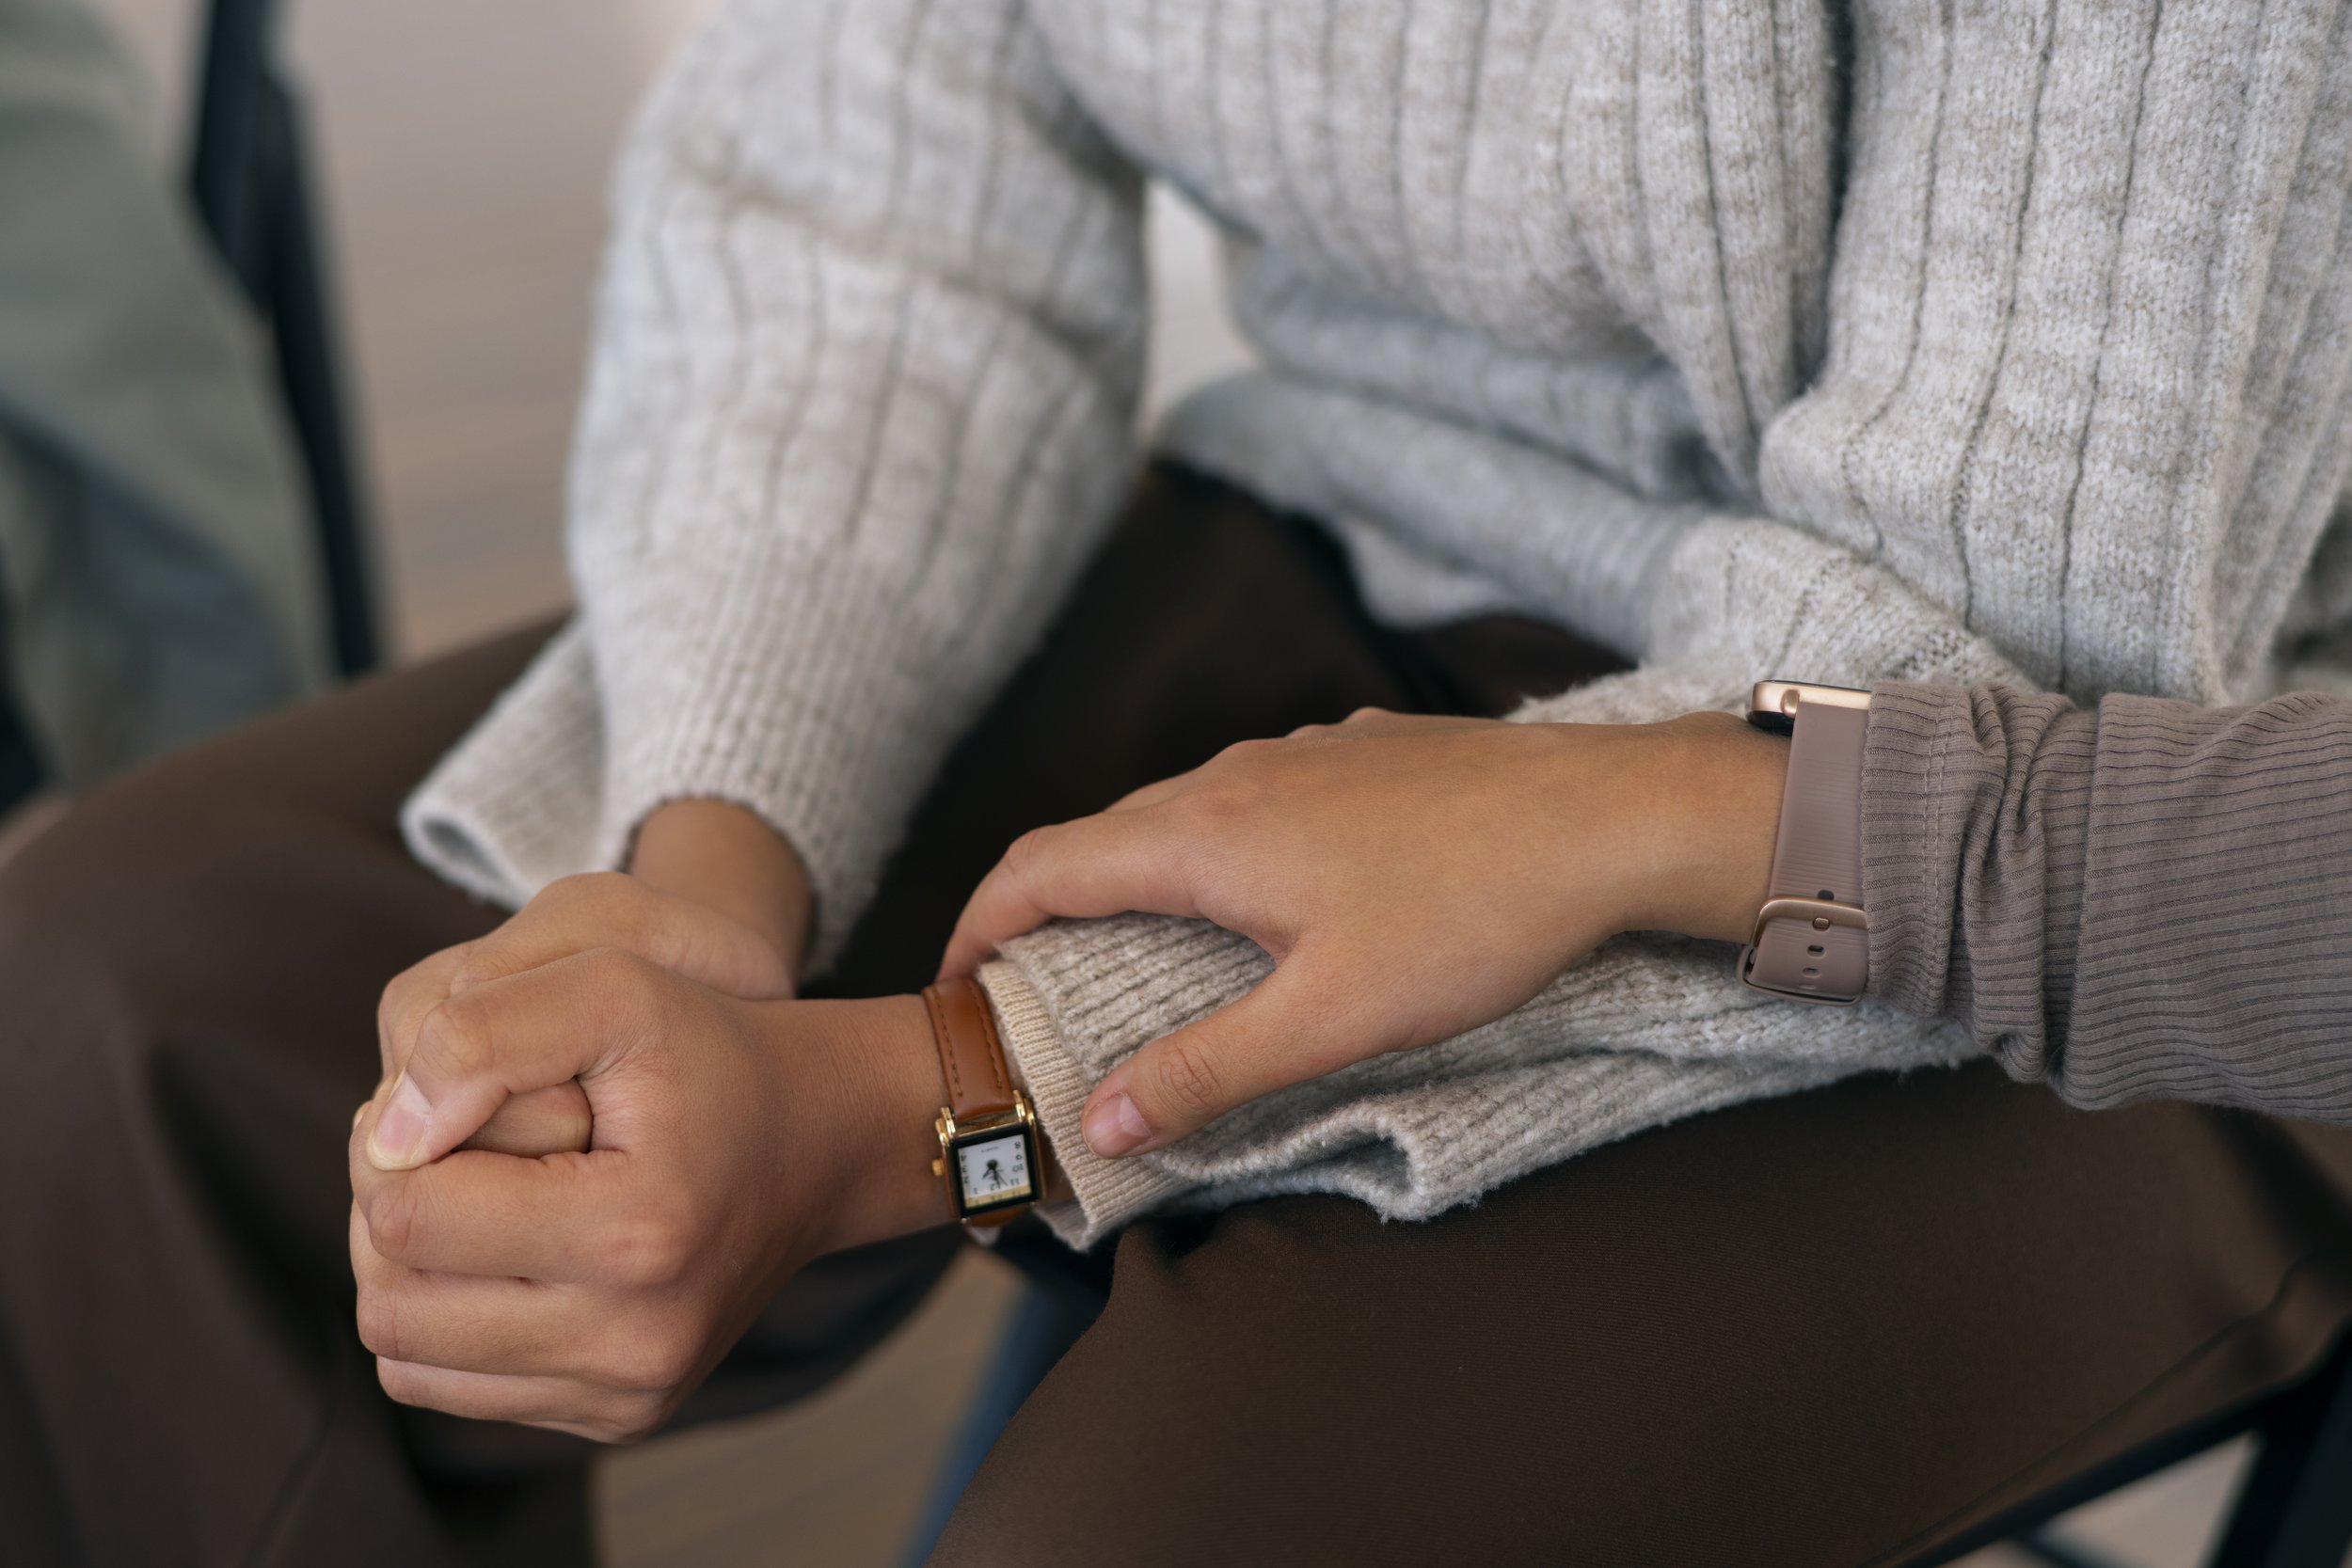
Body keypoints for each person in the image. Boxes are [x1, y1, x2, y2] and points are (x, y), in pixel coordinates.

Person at [6, 1, 2352, 1564]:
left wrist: (957, 1092)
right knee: (123, 1023)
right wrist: (698, 868)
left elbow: (1993, 637)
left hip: (2092, 822)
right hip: (1354, 536)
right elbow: (873, 215)